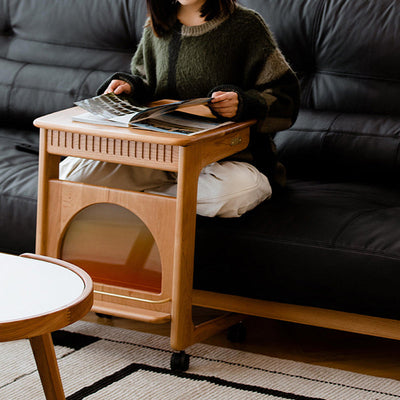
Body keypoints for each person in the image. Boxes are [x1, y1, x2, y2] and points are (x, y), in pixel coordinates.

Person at [60, 0, 299, 218]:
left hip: (227, 161)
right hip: (160, 157)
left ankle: (134, 199)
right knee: (70, 172)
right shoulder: (157, 27)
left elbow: (284, 97)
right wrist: (129, 87)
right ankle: (167, 196)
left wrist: (243, 104)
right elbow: (144, 82)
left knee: (230, 194)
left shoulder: (247, 25)